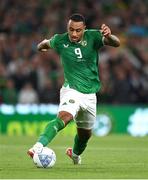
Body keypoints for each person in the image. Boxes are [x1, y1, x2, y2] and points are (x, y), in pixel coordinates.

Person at [27, 13, 120, 164]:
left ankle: (75, 154)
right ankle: (37, 147)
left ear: (84, 29)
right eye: (71, 29)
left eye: (78, 30)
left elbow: (116, 43)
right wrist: (40, 47)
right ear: (67, 28)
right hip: (72, 89)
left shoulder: (94, 37)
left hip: (90, 94)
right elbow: (45, 43)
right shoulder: (60, 40)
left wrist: (109, 36)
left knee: (85, 135)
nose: (74, 33)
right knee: (65, 117)